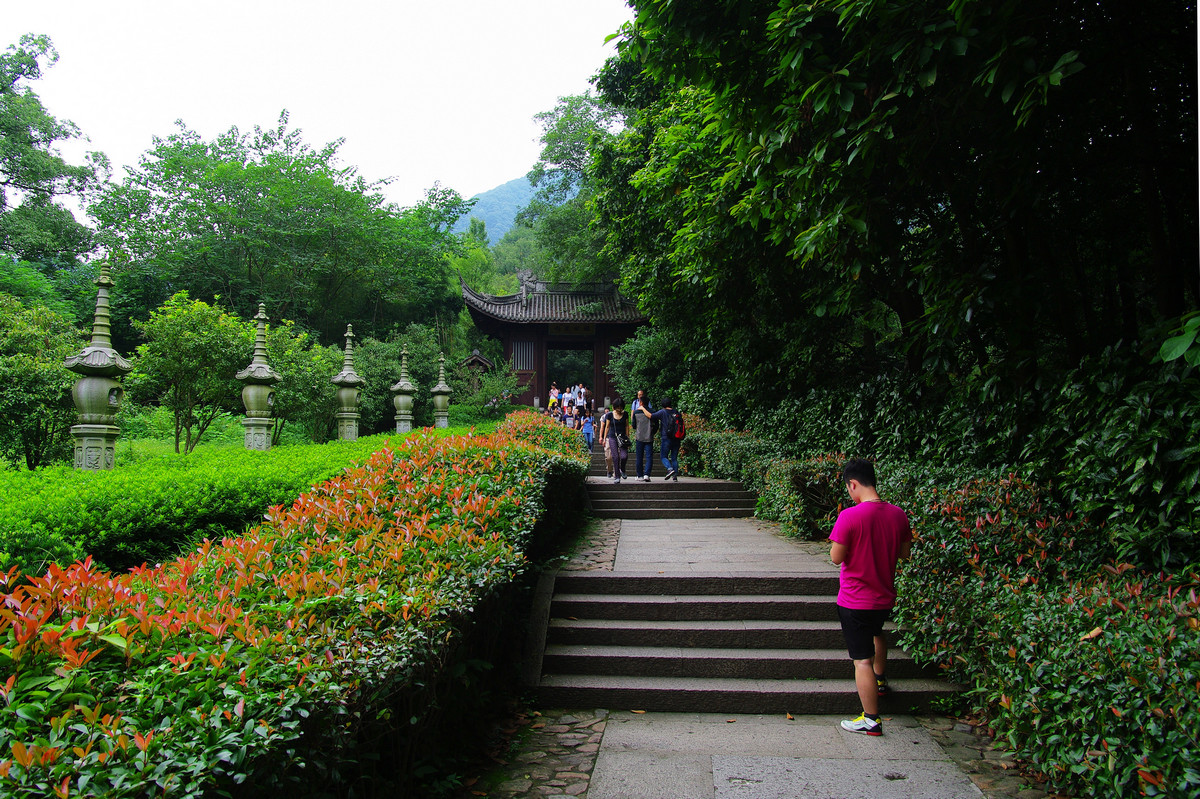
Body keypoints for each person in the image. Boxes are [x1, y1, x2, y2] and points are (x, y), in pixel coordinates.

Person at [828, 458, 913, 736]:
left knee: (861, 659)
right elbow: (905, 554)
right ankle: (880, 680)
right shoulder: (898, 514)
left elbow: (835, 558)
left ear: (853, 484)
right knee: (877, 634)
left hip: (855, 599)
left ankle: (871, 719)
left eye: (848, 488)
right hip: (884, 596)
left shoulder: (849, 516)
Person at [639, 397, 682, 480]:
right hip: (676, 438)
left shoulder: (663, 412)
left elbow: (650, 416)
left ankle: (669, 469)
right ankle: (675, 476)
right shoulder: (676, 412)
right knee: (674, 457)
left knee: (663, 456)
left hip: (666, 437)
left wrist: (642, 408)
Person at [599, 399, 630, 484]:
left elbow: (627, 426)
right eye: (617, 408)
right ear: (614, 407)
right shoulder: (609, 415)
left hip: (623, 437)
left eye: (621, 408)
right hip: (612, 437)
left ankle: (622, 469)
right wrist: (604, 438)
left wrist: (628, 437)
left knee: (624, 456)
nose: (619, 409)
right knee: (615, 457)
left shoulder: (625, 414)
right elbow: (607, 427)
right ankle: (617, 476)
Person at [630, 389, 655, 482]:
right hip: (649, 436)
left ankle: (639, 475)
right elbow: (656, 424)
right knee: (649, 456)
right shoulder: (652, 411)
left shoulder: (636, 413)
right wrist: (652, 432)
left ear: (640, 402)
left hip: (639, 436)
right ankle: (647, 475)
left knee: (639, 457)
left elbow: (633, 425)